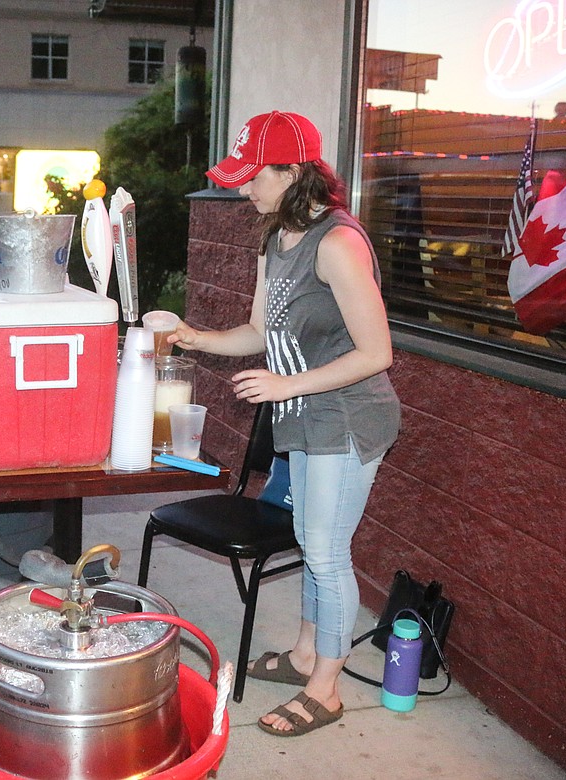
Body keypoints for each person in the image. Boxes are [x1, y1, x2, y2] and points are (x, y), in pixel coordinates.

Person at [169, 111, 401, 737]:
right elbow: (258, 331)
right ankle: (304, 656)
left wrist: (285, 385)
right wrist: (191, 336)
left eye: (253, 178)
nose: (244, 191)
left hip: (347, 417)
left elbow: (376, 352)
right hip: (301, 414)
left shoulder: (339, 243)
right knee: (309, 538)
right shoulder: (279, 239)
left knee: (327, 551)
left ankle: (326, 688)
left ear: (292, 171)